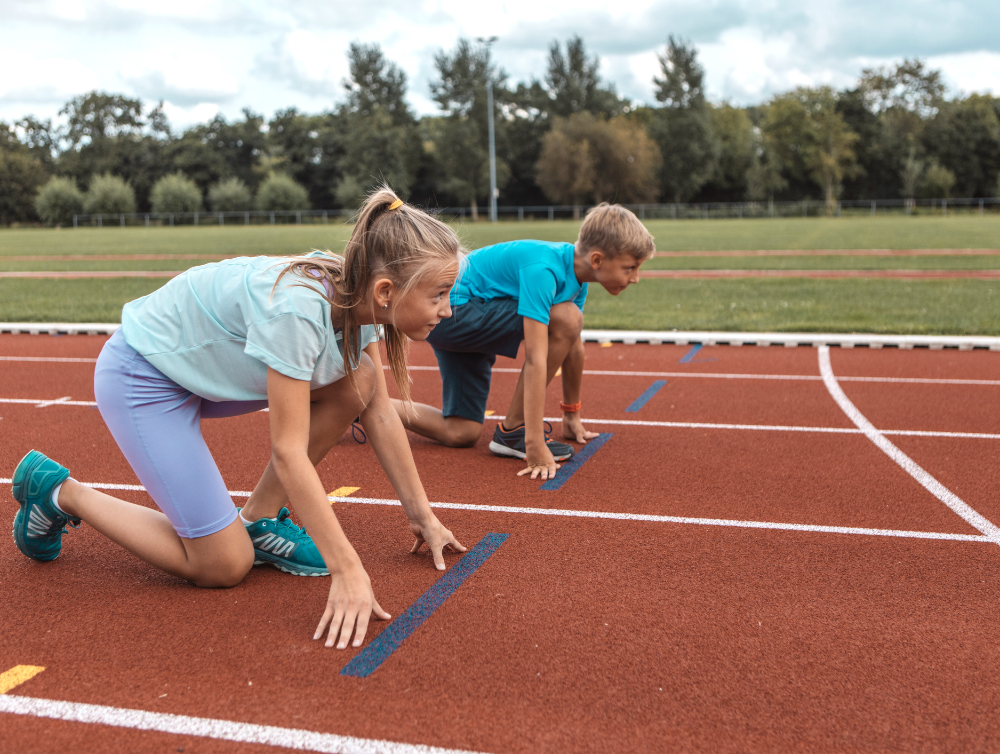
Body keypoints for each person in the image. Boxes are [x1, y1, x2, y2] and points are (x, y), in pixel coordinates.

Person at [10, 189, 466, 651]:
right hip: (143, 379)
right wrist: (348, 568)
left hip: (203, 377)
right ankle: (58, 491)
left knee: (359, 381)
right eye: (439, 294)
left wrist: (422, 517)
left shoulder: (362, 297)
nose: (448, 309)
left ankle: (259, 520)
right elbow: (288, 451)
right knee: (222, 567)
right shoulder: (298, 311)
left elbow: (380, 413)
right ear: (386, 291)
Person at [393, 203, 656, 481]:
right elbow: (536, 358)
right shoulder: (544, 269)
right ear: (598, 260)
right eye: (630, 268)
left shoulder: (578, 280)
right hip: (452, 313)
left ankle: (365, 406)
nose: (636, 278)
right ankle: (513, 431)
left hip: (466, 323)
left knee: (461, 432)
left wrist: (571, 416)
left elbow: (573, 348)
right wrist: (534, 444)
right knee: (567, 317)